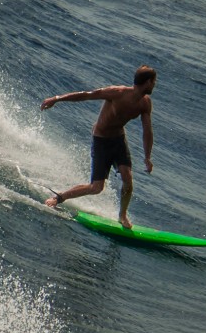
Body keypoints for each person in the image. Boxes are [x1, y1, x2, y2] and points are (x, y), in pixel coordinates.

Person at [41, 65, 156, 226]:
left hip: (119, 140)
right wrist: (57, 99)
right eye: (154, 81)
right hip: (101, 140)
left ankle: (122, 216)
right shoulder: (117, 93)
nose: (155, 85)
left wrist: (148, 157)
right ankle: (59, 197)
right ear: (148, 82)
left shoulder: (145, 103)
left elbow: (147, 131)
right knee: (96, 187)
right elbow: (87, 95)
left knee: (127, 179)